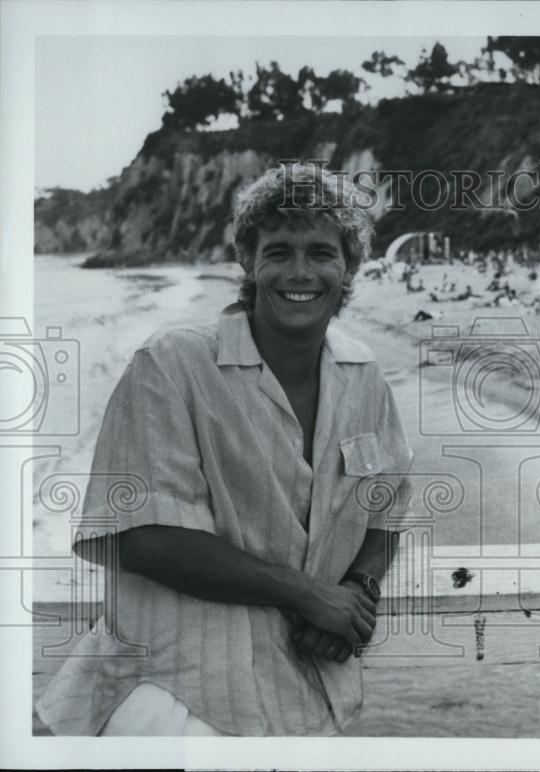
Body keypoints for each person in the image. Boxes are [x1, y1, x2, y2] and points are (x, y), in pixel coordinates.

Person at [36, 164, 417, 737]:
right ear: (247, 260)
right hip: (176, 692)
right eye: (278, 251)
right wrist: (308, 594)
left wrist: (357, 589)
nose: (299, 272)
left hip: (307, 696)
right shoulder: (172, 364)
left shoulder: (364, 377)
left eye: (320, 252)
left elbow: (386, 505)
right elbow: (142, 536)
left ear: (349, 267)